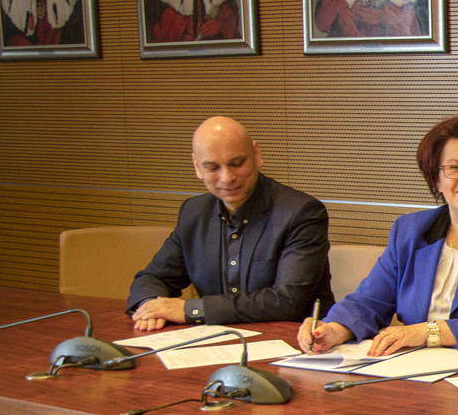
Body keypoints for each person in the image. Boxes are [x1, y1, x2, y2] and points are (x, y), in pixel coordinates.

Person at [301, 115, 458, 356]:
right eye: (454, 168)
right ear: (436, 179)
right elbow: (370, 300)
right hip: (421, 366)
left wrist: (428, 332)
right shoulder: (409, 230)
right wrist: (335, 329)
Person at [128, 116, 333, 331]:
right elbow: (153, 278)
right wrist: (150, 308)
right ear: (197, 167)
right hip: (217, 340)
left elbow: (286, 301)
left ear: (256, 155)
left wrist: (193, 310)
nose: (227, 178)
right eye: (212, 167)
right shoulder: (193, 213)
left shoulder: (301, 212)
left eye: (237, 163)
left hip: (292, 340)